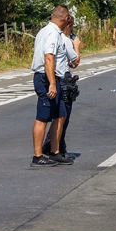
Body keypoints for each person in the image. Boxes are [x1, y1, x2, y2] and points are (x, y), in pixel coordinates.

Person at [29, 5, 70, 167]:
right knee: (43, 117)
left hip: (54, 78)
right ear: (65, 19)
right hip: (46, 78)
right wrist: (52, 83)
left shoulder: (44, 30)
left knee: (61, 114)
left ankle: (55, 151)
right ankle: (37, 156)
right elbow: (48, 58)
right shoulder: (52, 33)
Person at [43, 14, 81, 161]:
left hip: (54, 77)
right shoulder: (64, 39)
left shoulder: (47, 34)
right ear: (68, 26)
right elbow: (75, 61)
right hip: (63, 79)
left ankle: (59, 147)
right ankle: (54, 147)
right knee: (62, 117)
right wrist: (76, 46)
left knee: (59, 116)